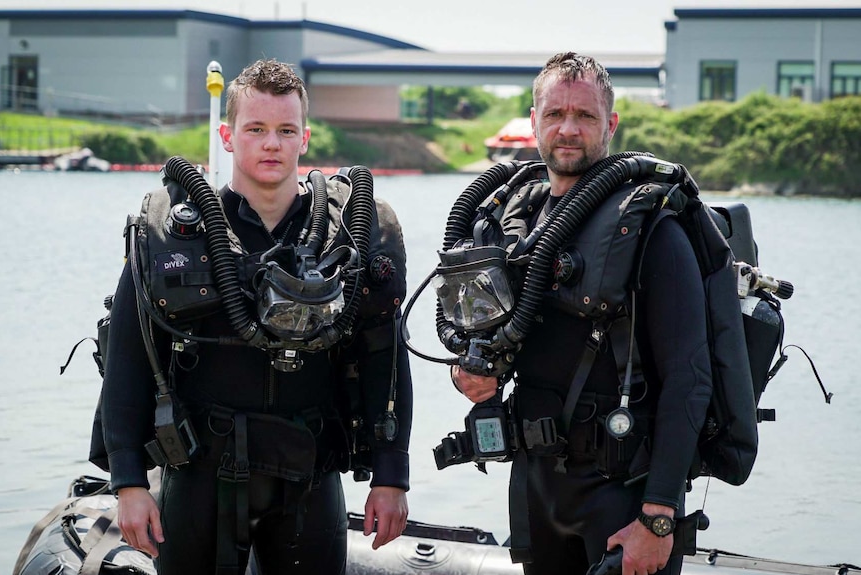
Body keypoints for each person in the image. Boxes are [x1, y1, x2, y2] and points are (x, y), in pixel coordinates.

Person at [99, 58, 412, 575]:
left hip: (310, 474)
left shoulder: (345, 239)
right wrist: (129, 482)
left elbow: (387, 360)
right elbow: (128, 362)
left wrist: (391, 474)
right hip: (201, 470)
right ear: (227, 136)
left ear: (304, 138)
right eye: (257, 129)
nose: (272, 143)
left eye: (286, 130)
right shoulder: (172, 238)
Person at [449, 52, 712, 575]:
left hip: (622, 493)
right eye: (555, 115)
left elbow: (691, 376)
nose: (568, 129)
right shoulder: (514, 222)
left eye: (585, 116)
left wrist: (659, 516)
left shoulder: (650, 227)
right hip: (538, 489)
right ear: (534, 122)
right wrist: (473, 377)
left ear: (610, 125)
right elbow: (497, 340)